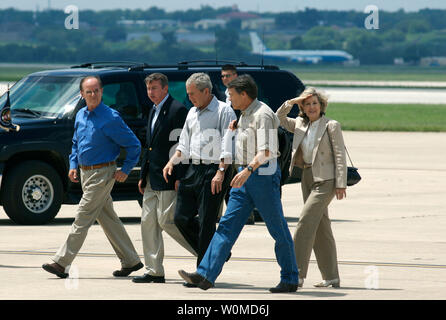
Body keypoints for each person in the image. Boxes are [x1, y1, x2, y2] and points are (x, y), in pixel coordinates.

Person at [177, 74, 299, 293]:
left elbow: (267, 150)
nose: (229, 99)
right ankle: (205, 274)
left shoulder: (263, 115)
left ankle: (290, 277)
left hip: (261, 175)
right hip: (243, 175)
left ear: (244, 94)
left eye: (231, 95)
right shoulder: (243, 115)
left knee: (277, 229)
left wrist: (248, 171)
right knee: (226, 226)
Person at [42, 76, 143, 278]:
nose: (93, 94)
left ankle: (61, 263)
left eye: (96, 90)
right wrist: (73, 165)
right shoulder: (80, 115)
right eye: (89, 92)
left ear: (102, 92)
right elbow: (76, 143)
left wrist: (126, 170)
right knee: (108, 218)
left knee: (82, 217)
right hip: (85, 173)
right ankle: (131, 260)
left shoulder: (111, 117)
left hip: (103, 174)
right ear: (82, 94)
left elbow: (134, 145)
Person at [163, 73, 236, 276]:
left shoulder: (224, 111)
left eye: (193, 94)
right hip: (193, 168)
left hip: (214, 170)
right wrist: (172, 162)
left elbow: (228, 145)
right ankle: (218, 251)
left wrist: (221, 172)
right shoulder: (192, 112)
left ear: (206, 91)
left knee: (206, 221)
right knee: (180, 218)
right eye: (188, 94)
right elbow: (184, 144)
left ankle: (202, 273)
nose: (190, 98)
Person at [276, 86, 347, 288]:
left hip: (326, 180)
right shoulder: (299, 124)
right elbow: (279, 117)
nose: (311, 107)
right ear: (303, 107)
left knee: (305, 222)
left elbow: (339, 155)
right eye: (307, 104)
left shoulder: (331, 125)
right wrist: (293, 101)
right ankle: (331, 276)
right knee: (322, 227)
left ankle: (295, 273)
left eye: (314, 103)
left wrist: (341, 183)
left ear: (321, 105)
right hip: (307, 178)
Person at [132, 73, 197, 284]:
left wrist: (180, 175)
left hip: (170, 176)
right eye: (149, 89)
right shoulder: (153, 109)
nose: (151, 92)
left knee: (167, 222)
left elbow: (182, 145)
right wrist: (142, 175)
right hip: (152, 177)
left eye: (155, 88)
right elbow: (149, 148)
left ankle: (208, 252)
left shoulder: (177, 110)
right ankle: (154, 271)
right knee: (147, 223)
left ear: (165, 89)